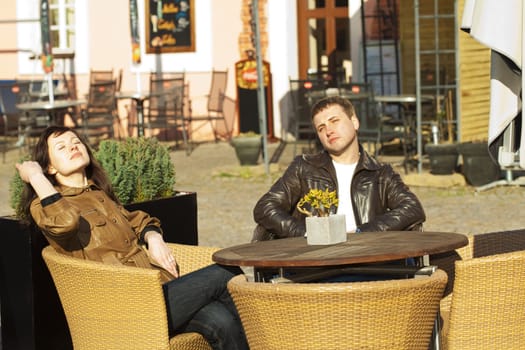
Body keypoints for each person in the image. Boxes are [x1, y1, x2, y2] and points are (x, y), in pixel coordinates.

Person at [16, 126, 248, 350]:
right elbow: (66, 222)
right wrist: (36, 177)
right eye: (61, 146)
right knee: (225, 270)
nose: (73, 147)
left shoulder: (97, 194)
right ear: (50, 168)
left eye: (76, 141)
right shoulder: (45, 206)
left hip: (154, 290)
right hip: (124, 304)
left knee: (221, 321)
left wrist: (153, 237)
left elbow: (136, 219)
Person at [253, 95, 425, 242]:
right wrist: (308, 234)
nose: (329, 131)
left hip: (368, 260)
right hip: (314, 263)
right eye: (321, 128)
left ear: (354, 122)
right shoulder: (304, 168)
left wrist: (362, 233)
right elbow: (265, 207)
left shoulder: (380, 173)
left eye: (334, 121)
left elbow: (412, 208)